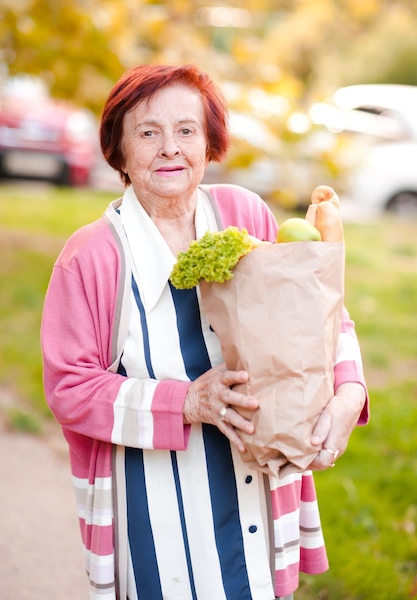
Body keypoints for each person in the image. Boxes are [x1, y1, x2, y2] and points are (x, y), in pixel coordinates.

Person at [41, 64, 368, 600]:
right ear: (119, 151)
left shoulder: (245, 214)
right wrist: (189, 402)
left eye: (186, 130)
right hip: (157, 512)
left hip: (260, 489)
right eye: (148, 132)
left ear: (209, 141)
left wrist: (348, 391)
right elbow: (71, 389)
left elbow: (322, 314)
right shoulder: (91, 256)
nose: (170, 148)